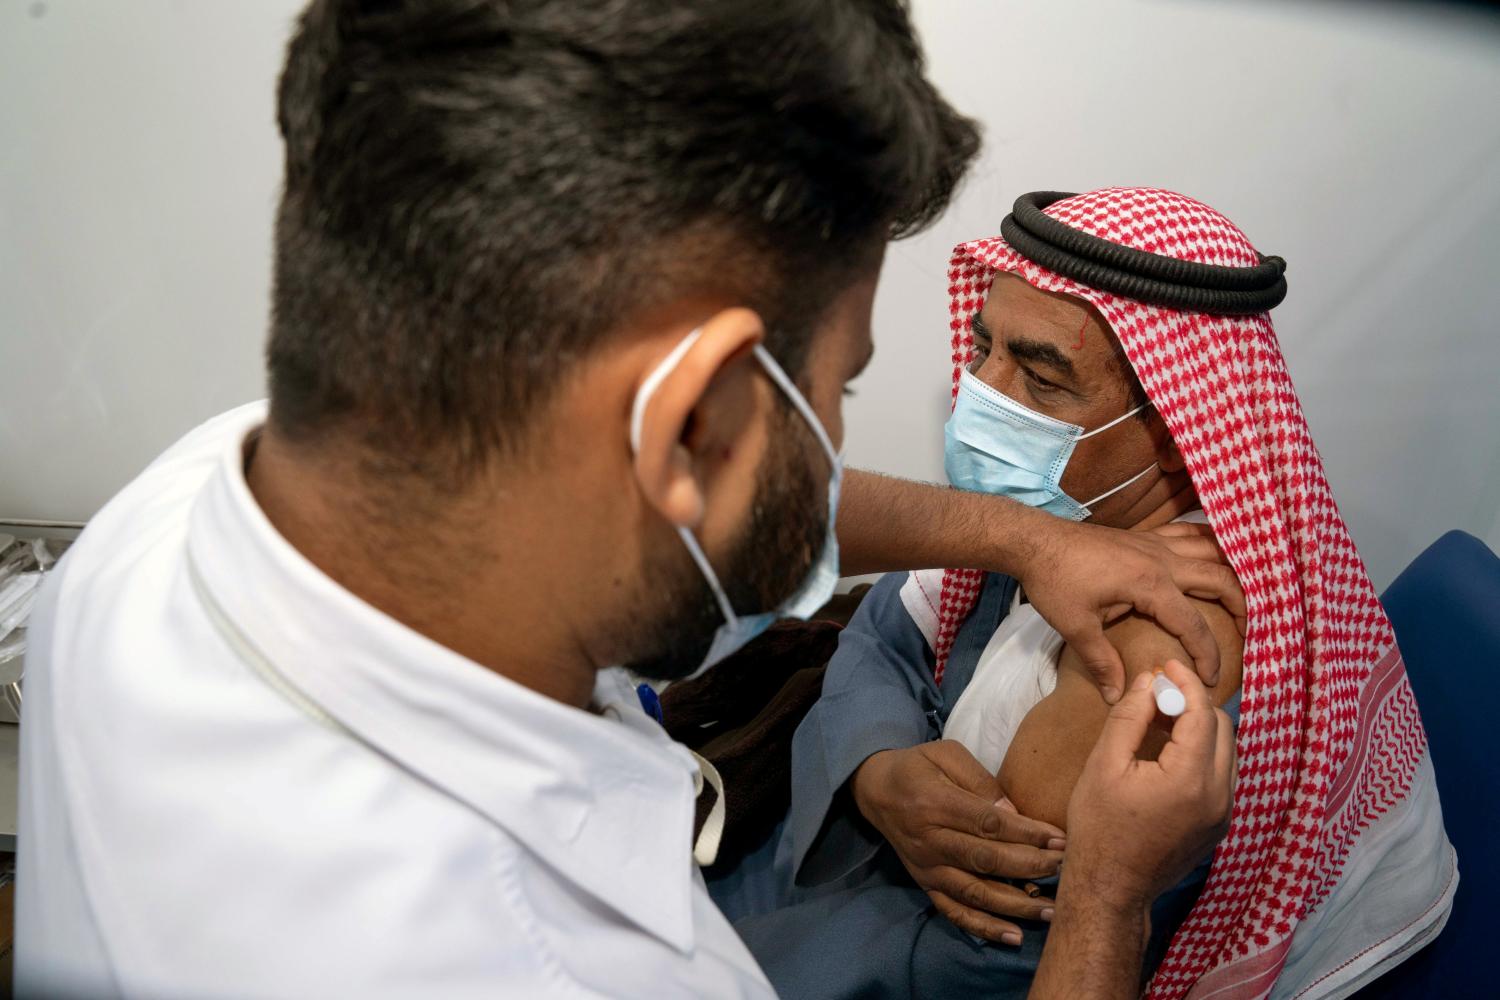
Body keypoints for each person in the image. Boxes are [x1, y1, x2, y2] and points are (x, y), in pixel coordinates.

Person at [16, 2, 1238, 995]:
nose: (853, 438)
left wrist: (1021, 534)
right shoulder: (583, 968)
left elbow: (768, 510)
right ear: (691, 431)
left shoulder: (174, 507)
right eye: (839, 391)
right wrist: (1109, 902)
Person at [725, 188, 1455, 999]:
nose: (982, 395)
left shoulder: (1168, 651)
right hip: (840, 867)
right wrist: (877, 768)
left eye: (1040, 376)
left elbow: (981, 955)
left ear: (1182, 433)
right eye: (984, 349)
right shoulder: (1053, 518)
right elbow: (878, 635)